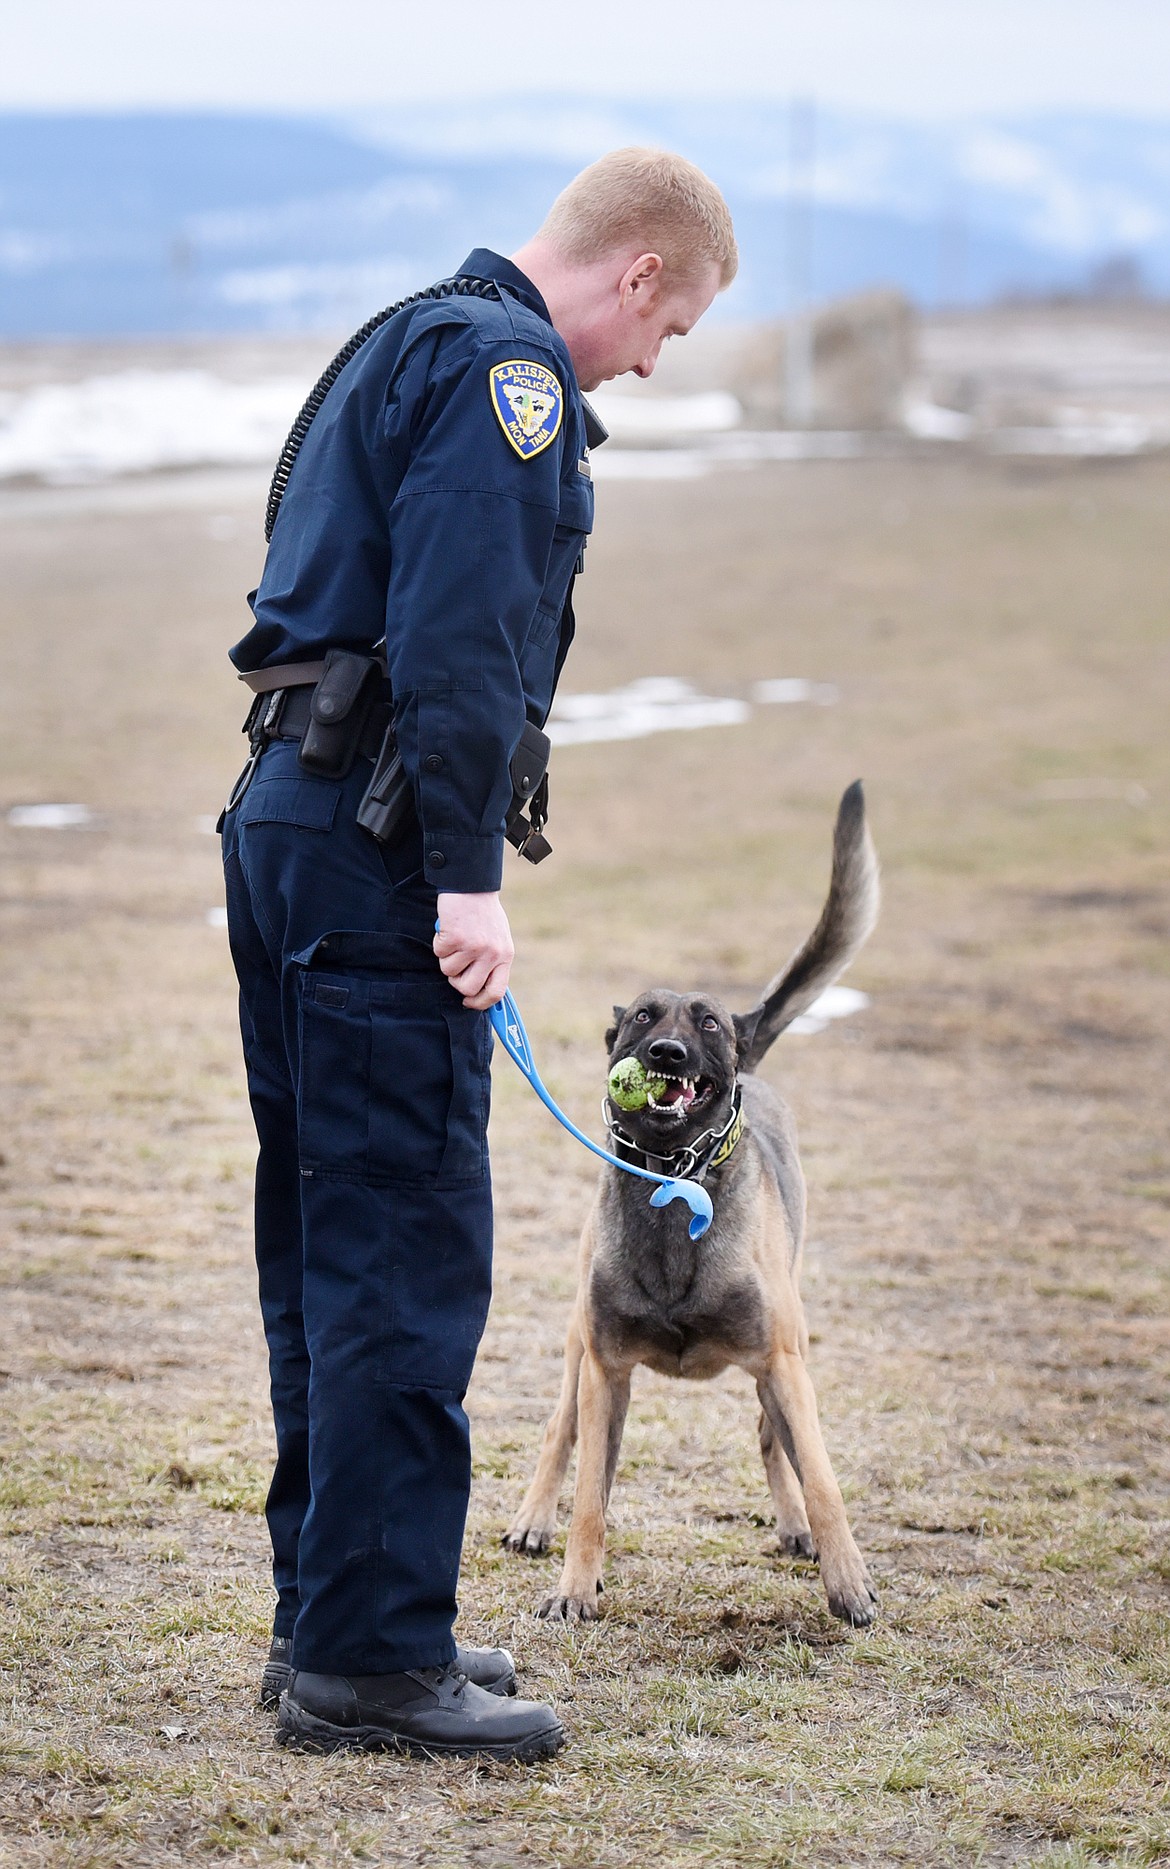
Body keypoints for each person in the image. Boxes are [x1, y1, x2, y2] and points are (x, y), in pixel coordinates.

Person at [220, 147, 737, 1761]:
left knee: (325, 1234)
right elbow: (453, 637)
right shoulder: (507, 372)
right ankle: (371, 1661)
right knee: (398, 1243)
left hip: (291, 815)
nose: (656, 362)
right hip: (375, 848)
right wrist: (461, 881)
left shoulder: (413, 330)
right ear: (636, 271)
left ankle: (341, 1619)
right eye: (673, 325)